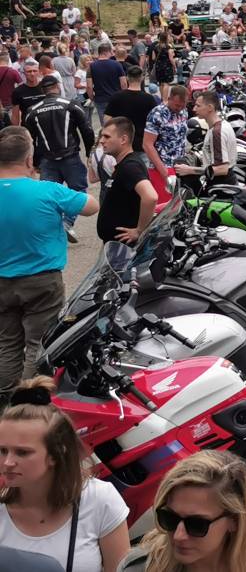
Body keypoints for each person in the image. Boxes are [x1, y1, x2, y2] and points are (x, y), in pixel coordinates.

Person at [0, 127, 98, 399]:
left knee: (7, 343)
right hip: (42, 280)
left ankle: (5, 396)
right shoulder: (47, 190)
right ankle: (32, 398)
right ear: (29, 160)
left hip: (2, 282)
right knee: (39, 342)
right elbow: (91, 206)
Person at [0, 376, 131, 571]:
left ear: (57, 453)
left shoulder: (100, 499)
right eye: (2, 450)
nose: (8, 462)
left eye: (23, 452)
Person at [117, 451, 246, 572]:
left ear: (235, 520)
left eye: (196, 524)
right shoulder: (137, 568)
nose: (179, 535)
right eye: (169, 518)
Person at [25, 76, 93, 241]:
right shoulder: (71, 104)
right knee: (78, 191)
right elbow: (87, 129)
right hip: (70, 156)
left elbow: (29, 139)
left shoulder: (32, 111)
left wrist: (34, 162)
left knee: (48, 196)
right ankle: (66, 223)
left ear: (43, 90)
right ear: (57, 86)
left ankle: (54, 227)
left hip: (47, 160)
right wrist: (89, 153)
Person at [95, 117, 156, 245]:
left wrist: (139, 231)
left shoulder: (130, 166)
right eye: (101, 136)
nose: (101, 141)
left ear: (123, 139)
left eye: (107, 137)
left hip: (124, 247)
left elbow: (150, 197)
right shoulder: (124, 164)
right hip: (116, 245)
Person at [175, 92, 238, 187]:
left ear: (210, 107)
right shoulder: (223, 124)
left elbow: (222, 169)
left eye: (198, 106)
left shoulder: (216, 132)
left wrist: (189, 170)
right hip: (225, 182)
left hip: (221, 185)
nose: (194, 109)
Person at [103, 68, 157, 157]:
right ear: (142, 78)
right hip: (141, 143)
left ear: (127, 78)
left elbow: (107, 119)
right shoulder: (149, 99)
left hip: (120, 142)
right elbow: (155, 122)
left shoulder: (116, 97)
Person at [143, 85, 189, 186]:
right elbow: (147, 144)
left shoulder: (184, 111)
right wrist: (163, 171)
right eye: (177, 105)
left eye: (183, 105)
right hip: (162, 166)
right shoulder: (158, 114)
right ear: (169, 99)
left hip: (179, 166)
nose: (179, 108)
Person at [86, 44, 127, 124]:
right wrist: (124, 96)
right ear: (106, 52)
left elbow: (89, 86)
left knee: (105, 124)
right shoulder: (117, 64)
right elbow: (124, 83)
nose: (112, 54)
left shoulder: (91, 66)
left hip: (100, 98)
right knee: (118, 123)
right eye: (111, 52)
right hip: (116, 98)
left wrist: (92, 97)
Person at [10, 60, 44, 129]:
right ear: (24, 73)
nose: (32, 74)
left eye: (35, 71)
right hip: (27, 127)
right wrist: (15, 131)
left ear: (39, 72)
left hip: (45, 126)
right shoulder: (17, 91)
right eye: (29, 71)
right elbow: (15, 116)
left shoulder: (45, 87)